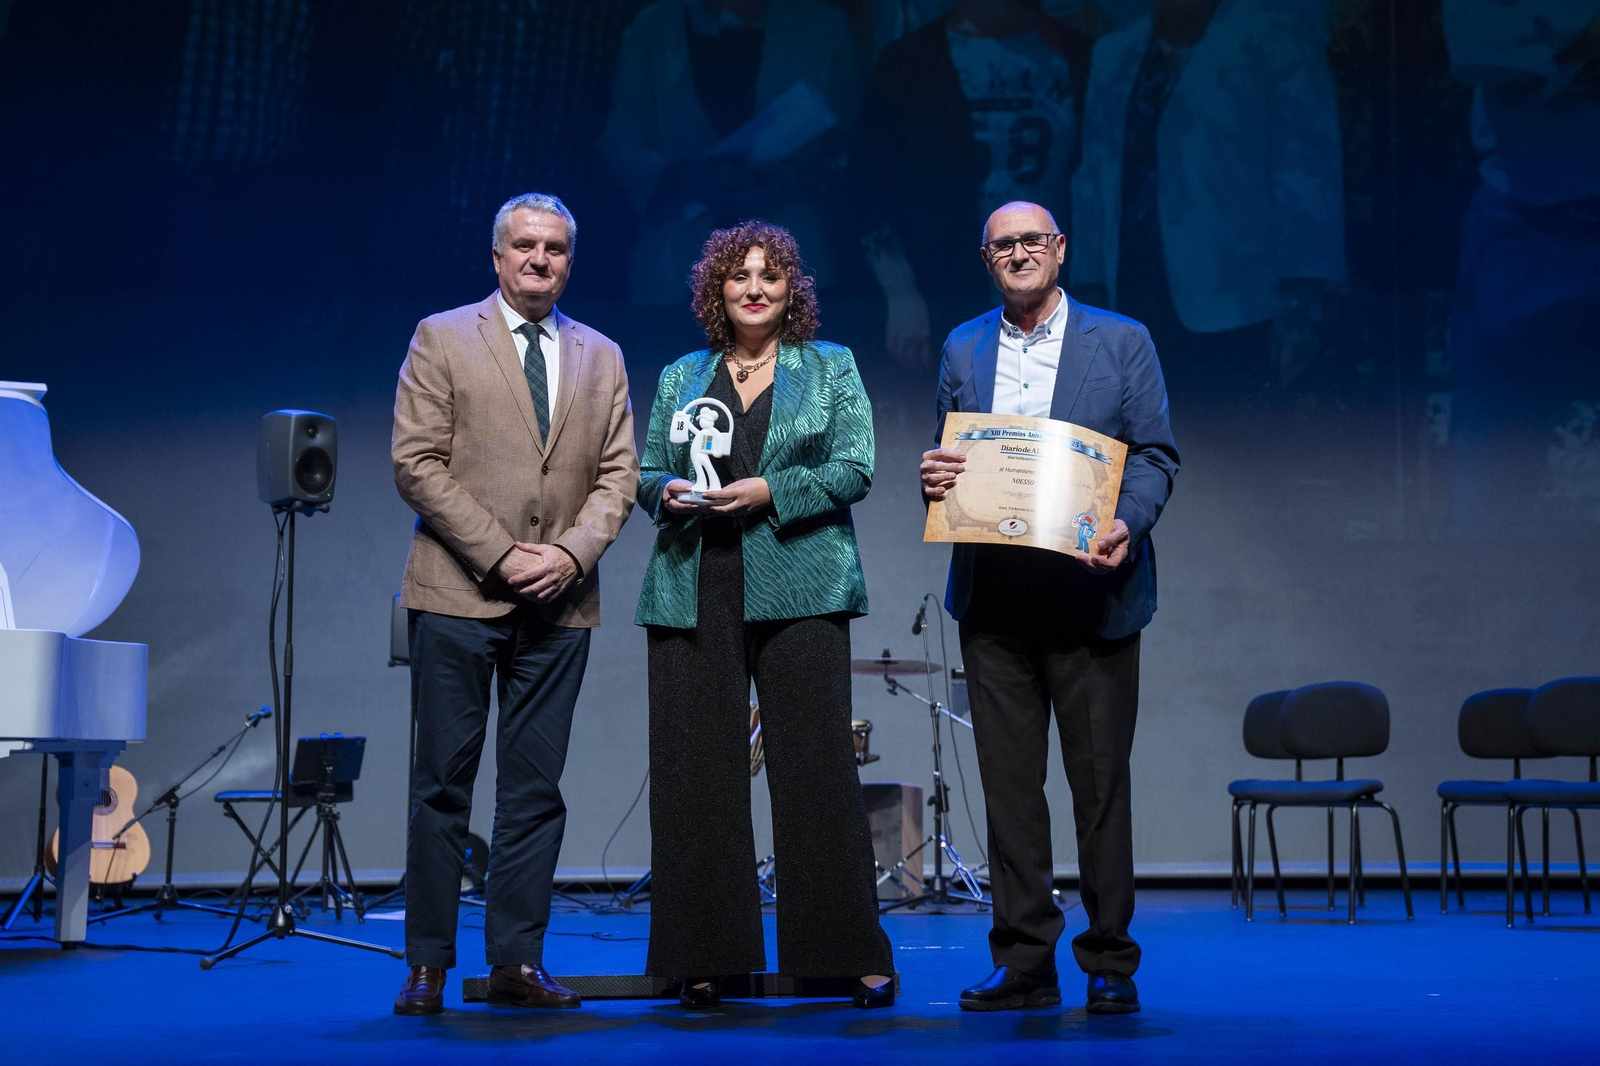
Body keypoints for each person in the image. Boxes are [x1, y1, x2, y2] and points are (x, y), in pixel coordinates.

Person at [920, 201, 1179, 1014]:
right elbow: (950, 454)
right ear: (987, 258)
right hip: (995, 602)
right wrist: (936, 479)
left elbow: (1156, 456)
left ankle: (1109, 961)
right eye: (1003, 244)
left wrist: (1127, 523)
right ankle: (1026, 961)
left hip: (1092, 597)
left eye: (1033, 240)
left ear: (1060, 250)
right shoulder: (964, 344)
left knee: (1099, 788)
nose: (1019, 253)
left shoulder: (1123, 339)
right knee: (1009, 791)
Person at [635, 220, 895, 1010]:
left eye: (770, 275)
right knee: (695, 776)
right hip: (693, 580)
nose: (754, 287)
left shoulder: (831, 367)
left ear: (793, 291)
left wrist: (770, 491)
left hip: (803, 584)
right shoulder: (683, 375)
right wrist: (667, 493)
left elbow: (856, 467)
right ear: (717, 290)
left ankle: (845, 955)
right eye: (739, 275)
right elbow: (647, 470)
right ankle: (706, 956)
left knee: (816, 770)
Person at [390, 192, 639, 1015]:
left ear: (571, 260)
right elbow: (417, 464)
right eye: (526, 245)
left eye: (557, 248)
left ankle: (515, 964)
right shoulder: (443, 335)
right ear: (497, 257)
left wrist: (567, 554)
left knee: (535, 791)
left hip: (561, 604)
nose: (541, 259)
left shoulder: (600, 353)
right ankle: (426, 962)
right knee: (441, 787)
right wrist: (502, 555)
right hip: (459, 593)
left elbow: (619, 475)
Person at [1070, 0, 1343, 395]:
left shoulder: (1277, 39)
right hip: (1130, 302)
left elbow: (1307, 171)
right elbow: (1094, 176)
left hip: (1240, 303)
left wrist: (1302, 304)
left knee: (1231, 444)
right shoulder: (1115, 52)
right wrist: (1090, 291)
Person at [851, 0, 1093, 367]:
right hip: (946, 289)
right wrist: (901, 293)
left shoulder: (1077, 52)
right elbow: (868, 187)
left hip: (1060, 288)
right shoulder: (909, 61)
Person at [600, 0, 860, 305]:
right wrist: (682, 177)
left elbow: (855, 148)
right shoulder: (654, 29)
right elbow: (620, 142)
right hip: (676, 272)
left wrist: (797, 181)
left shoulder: (822, 26)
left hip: (795, 264)